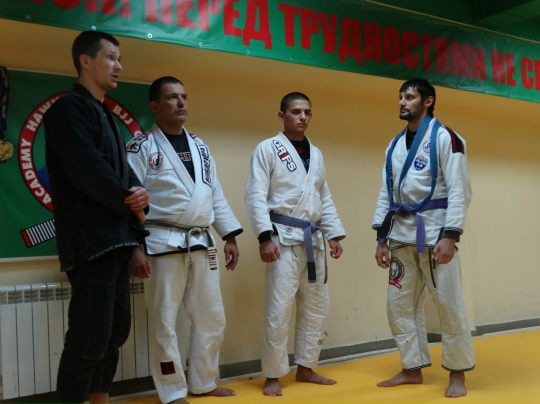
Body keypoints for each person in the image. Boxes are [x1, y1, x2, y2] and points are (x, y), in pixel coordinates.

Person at [44, 31, 149, 404]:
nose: (118, 65)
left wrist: (139, 193)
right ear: (85, 61)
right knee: (89, 336)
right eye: (110, 57)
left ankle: (100, 400)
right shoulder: (68, 109)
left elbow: (123, 173)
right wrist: (129, 200)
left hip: (117, 238)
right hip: (91, 240)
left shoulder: (106, 114)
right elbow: (86, 170)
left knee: (114, 331)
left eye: (120, 59)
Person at [126, 76, 242, 404]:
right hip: (160, 243)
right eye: (172, 97)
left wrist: (230, 235)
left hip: (201, 242)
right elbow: (128, 200)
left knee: (211, 316)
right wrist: (134, 248)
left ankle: (204, 382)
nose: (181, 102)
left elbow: (214, 194)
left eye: (184, 97)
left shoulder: (200, 146)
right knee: (164, 320)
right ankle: (172, 390)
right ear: (154, 105)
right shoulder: (141, 147)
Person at [372, 78, 475, 397]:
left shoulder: (447, 138)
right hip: (401, 236)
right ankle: (411, 367)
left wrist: (451, 235)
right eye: (401, 97)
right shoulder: (394, 145)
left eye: (410, 97)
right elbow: (386, 192)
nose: (402, 102)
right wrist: (381, 237)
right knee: (398, 306)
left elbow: (459, 190)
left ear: (428, 101)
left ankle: (457, 372)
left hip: (435, 236)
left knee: (449, 306)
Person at [245, 92, 346, 397]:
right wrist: (264, 237)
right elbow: (255, 194)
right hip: (283, 238)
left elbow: (323, 197)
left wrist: (333, 234)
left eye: (307, 112)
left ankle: (306, 367)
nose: (302, 117)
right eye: (296, 111)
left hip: (313, 240)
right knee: (279, 309)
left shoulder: (316, 154)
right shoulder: (267, 148)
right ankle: (273, 374)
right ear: (282, 116)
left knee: (317, 307)